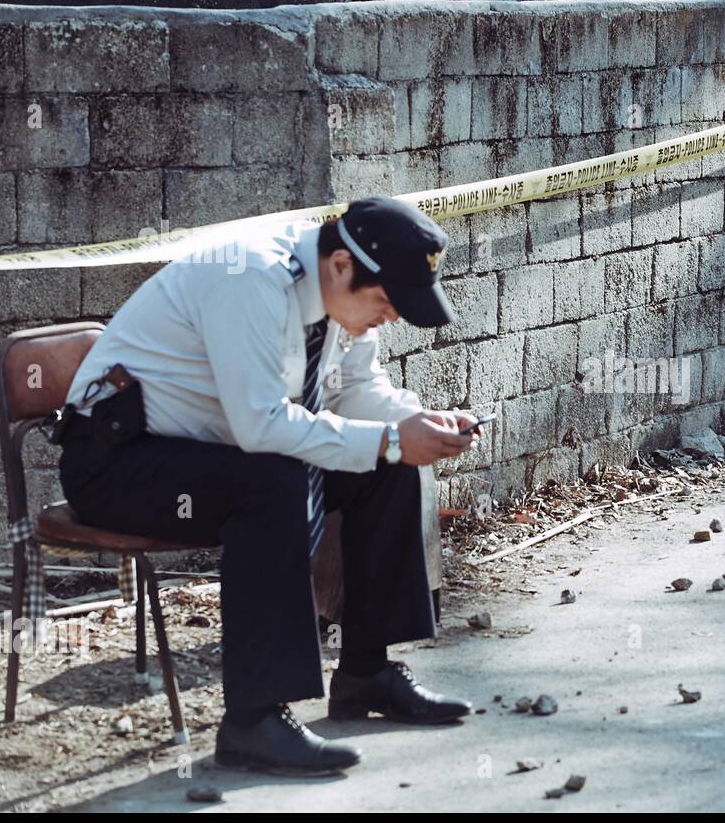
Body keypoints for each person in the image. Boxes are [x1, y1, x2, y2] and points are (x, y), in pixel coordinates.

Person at [55, 197, 486, 776]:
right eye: (386, 301)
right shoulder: (251, 277)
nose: (393, 317)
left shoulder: (339, 289)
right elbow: (259, 424)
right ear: (339, 266)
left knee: (389, 462)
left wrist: (418, 422)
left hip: (208, 450)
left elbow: (356, 389)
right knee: (274, 480)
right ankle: (253, 722)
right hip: (114, 462)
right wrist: (388, 437)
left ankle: (366, 674)